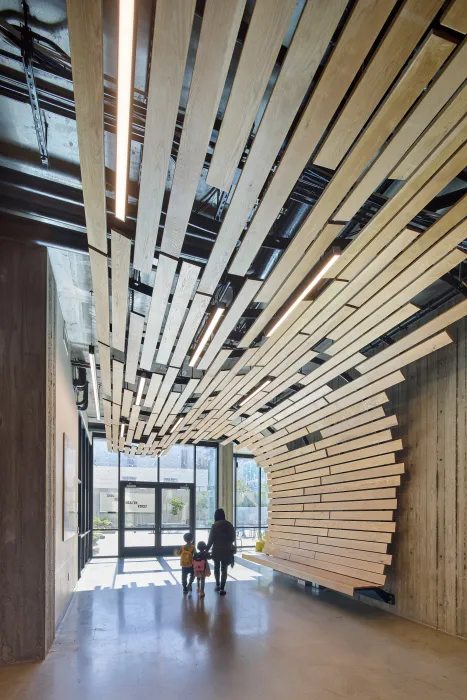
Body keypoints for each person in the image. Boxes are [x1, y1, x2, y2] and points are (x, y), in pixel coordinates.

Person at [206, 508, 235, 596]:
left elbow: (211, 540)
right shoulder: (229, 525)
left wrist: (206, 550)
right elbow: (233, 538)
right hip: (227, 550)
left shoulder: (214, 526)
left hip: (216, 551)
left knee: (216, 568)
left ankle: (217, 584)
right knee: (224, 569)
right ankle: (222, 588)